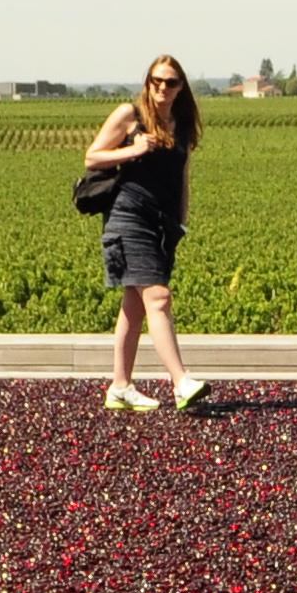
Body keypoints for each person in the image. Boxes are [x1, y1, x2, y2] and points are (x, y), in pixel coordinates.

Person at [82, 56, 207, 416]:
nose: (161, 88)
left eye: (170, 82)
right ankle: (181, 381)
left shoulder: (181, 127)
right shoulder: (130, 116)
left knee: (134, 307)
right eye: (156, 81)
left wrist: (181, 223)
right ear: (147, 82)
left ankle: (120, 387)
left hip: (161, 223)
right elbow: (92, 157)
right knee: (158, 297)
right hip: (126, 216)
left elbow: (183, 177)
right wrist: (133, 149)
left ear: (181, 87)